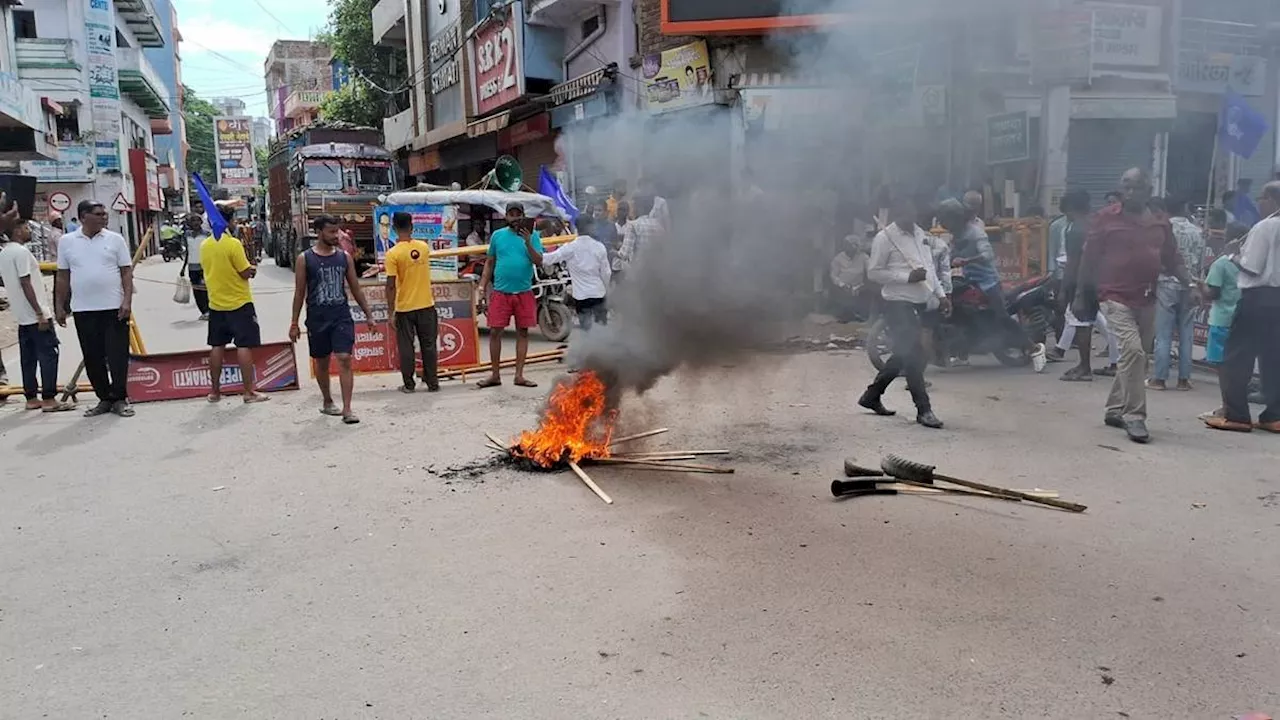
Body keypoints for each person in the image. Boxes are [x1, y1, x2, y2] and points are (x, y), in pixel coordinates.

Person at [1075, 168, 1196, 443]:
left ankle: (1114, 408)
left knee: (1135, 356)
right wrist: (1081, 294)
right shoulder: (1106, 218)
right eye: (1126, 186)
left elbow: (1172, 258)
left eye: (1137, 187)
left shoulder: (1160, 222)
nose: (1130, 193)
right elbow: (1088, 258)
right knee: (1133, 352)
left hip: (1148, 297)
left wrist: (1189, 283)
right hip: (1114, 296)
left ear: (1149, 191)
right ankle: (1135, 416)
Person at [858, 196, 949, 429]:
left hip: (921, 301)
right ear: (897, 215)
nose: (911, 218)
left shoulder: (921, 235)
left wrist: (941, 295)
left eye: (913, 214)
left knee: (901, 354)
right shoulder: (884, 238)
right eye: (905, 215)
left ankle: (871, 396)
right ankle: (924, 409)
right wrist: (905, 277)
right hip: (897, 302)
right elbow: (874, 273)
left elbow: (929, 269)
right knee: (914, 353)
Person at [1204, 181, 1280, 433]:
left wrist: (1233, 253)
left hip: (1258, 297)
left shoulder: (1265, 226)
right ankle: (1274, 415)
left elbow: (1252, 266)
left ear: (1270, 199)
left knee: (1237, 357)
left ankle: (1236, 414)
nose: (1258, 202)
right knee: (1273, 359)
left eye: (1261, 197)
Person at [55, 200, 135, 418]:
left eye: (104, 214)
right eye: (98, 214)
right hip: (83, 309)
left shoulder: (115, 240)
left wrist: (127, 301)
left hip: (113, 307)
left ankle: (119, 398)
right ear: (83, 217)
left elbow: (126, 272)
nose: (104, 217)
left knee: (117, 354)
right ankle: (104, 398)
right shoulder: (67, 242)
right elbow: (62, 275)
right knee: (93, 356)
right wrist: (59, 305)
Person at [289, 215, 373, 423]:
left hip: (341, 316)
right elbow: (300, 293)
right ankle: (327, 401)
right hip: (317, 318)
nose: (337, 236)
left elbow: (355, 287)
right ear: (318, 232)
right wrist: (294, 323)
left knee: (344, 358)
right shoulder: (305, 259)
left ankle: (347, 409)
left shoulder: (344, 257)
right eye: (331, 232)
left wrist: (368, 314)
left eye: (338, 231)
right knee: (322, 362)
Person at [1, 216, 72, 412]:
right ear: (16, 230)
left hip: (22, 317)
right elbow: (26, 283)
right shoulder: (22, 253)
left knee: (28, 358)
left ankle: (31, 397)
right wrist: (40, 313)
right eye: (25, 226)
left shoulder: (5, 253)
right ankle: (49, 398)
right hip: (36, 315)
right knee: (49, 355)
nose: (28, 229)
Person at [1047, 189, 1120, 380]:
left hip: (1082, 282)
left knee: (1081, 323)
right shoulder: (1097, 224)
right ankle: (1114, 362)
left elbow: (1072, 262)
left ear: (1071, 209)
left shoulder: (1074, 229)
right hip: (1101, 280)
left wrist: (1066, 291)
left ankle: (1084, 367)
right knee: (1103, 323)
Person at [202, 205, 267, 405]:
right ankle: (249, 392)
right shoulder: (233, 244)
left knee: (217, 346)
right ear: (228, 222)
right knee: (244, 345)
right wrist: (252, 268)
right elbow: (244, 272)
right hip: (239, 303)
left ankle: (214, 392)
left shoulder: (205, 245)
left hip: (215, 304)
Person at [477, 205, 544, 389]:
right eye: (511, 214)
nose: (515, 218)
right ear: (505, 216)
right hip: (501, 292)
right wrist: (482, 286)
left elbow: (538, 261)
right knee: (495, 332)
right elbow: (490, 262)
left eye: (518, 214)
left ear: (524, 216)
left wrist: (528, 241)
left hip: (524, 292)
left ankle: (519, 375)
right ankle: (495, 375)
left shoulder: (534, 236)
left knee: (523, 332)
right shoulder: (498, 236)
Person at [1148, 198, 1205, 391]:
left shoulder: (1162, 228)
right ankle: (1184, 379)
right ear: (1185, 207)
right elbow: (1201, 260)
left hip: (1166, 282)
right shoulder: (1197, 231)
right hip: (1189, 284)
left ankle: (1159, 378)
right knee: (1186, 333)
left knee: (1163, 333)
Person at [385, 211, 439, 394]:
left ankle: (409, 384)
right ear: (412, 227)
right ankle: (433, 383)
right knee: (429, 344)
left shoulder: (392, 254)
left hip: (405, 307)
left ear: (393, 228)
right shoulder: (423, 247)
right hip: (426, 304)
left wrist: (390, 310)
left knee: (406, 346)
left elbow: (391, 285)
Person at [542, 214, 611, 330]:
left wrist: (529, 251)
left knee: (586, 329)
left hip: (581, 296)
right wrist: (606, 289)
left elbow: (549, 258)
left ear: (577, 228)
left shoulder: (570, 247)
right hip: (599, 293)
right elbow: (607, 273)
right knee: (602, 329)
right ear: (592, 227)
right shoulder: (599, 247)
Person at [618, 195, 665, 271]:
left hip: (638, 271)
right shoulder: (659, 225)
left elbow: (625, 254)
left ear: (638, 208)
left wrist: (613, 252)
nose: (631, 210)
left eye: (632, 207)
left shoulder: (633, 225)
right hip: (657, 269)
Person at [183, 213, 210, 320]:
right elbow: (187, 252)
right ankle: (203, 311)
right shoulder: (187, 235)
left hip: (204, 267)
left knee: (205, 289)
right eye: (193, 221)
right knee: (196, 291)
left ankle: (208, 310)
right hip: (192, 267)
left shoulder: (206, 235)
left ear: (201, 222)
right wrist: (183, 268)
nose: (195, 223)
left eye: (197, 220)